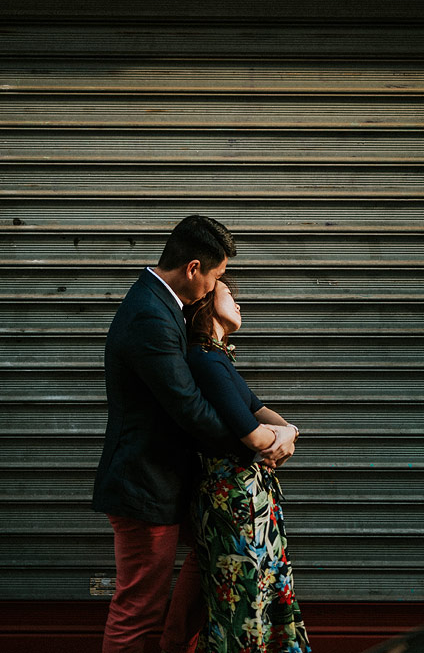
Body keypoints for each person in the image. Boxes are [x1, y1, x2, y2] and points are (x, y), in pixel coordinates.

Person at [91, 215, 297, 653]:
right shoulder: (149, 315)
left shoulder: (165, 307)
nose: (216, 287)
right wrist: (255, 442)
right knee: (138, 609)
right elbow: (190, 408)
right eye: (216, 276)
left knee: (207, 573)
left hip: (173, 483)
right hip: (145, 486)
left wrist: (268, 433)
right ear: (193, 268)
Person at [184, 278, 310, 652]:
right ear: (206, 302)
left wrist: (288, 432)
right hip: (231, 502)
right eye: (230, 295)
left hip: (247, 498)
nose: (239, 304)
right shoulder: (204, 361)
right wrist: (281, 436)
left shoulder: (219, 361)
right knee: (243, 599)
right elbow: (252, 434)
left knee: (262, 591)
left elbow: (264, 414)